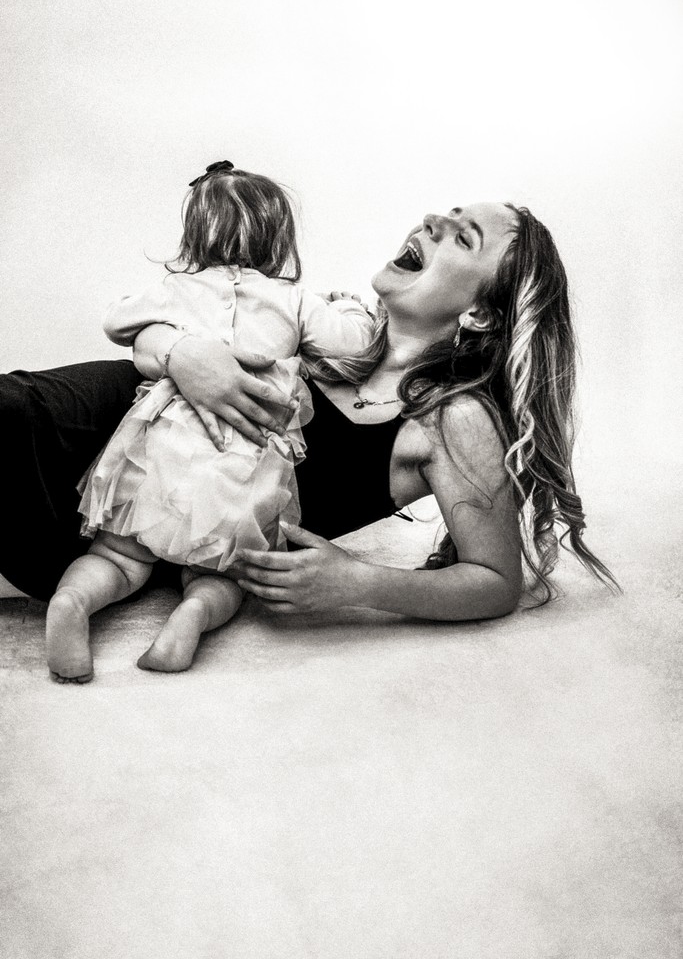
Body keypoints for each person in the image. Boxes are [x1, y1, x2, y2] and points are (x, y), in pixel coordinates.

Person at [0, 200, 616, 682]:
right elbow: (167, 323)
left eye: (463, 238)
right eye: (444, 216)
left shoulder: (452, 417)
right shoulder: (335, 327)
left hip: (122, 526)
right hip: (124, 423)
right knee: (11, 406)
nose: (433, 221)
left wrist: (360, 583)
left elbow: (495, 580)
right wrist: (180, 352)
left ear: (480, 313)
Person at [42, 161, 374, 682]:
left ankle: (73, 602)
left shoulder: (174, 288)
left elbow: (115, 321)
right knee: (223, 574)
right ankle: (193, 613)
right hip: (241, 464)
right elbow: (353, 344)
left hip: (161, 450)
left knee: (119, 557)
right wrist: (351, 307)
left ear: (194, 234)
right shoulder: (294, 300)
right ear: (279, 239)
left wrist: (162, 325)